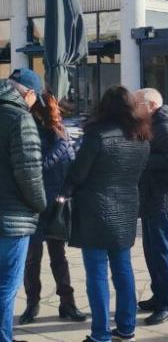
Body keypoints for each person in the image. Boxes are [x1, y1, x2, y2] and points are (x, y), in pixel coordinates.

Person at [66, 86, 151, 342]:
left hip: (95, 210)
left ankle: (100, 333)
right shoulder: (141, 138)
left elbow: (77, 174)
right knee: (123, 269)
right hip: (126, 209)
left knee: (97, 275)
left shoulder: (97, 135)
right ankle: (126, 328)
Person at [19, 92, 86, 325]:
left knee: (59, 257)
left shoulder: (60, 131)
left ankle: (67, 303)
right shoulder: (29, 128)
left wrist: (67, 192)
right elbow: (37, 165)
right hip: (34, 204)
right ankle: (32, 303)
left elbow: (70, 164)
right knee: (32, 258)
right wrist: (61, 146)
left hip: (55, 203)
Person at [0, 69, 46, 342]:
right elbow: (29, 173)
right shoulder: (19, 118)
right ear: (27, 93)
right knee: (6, 286)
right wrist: (40, 205)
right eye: (34, 98)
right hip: (12, 218)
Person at [134, 88, 168, 326]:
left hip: (164, 199)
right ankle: (160, 296)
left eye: (137, 104)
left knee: (163, 253)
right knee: (152, 251)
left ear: (151, 105)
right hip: (154, 197)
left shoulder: (162, 125)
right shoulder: (155, 122)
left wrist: (143, 157)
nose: (134, 108)